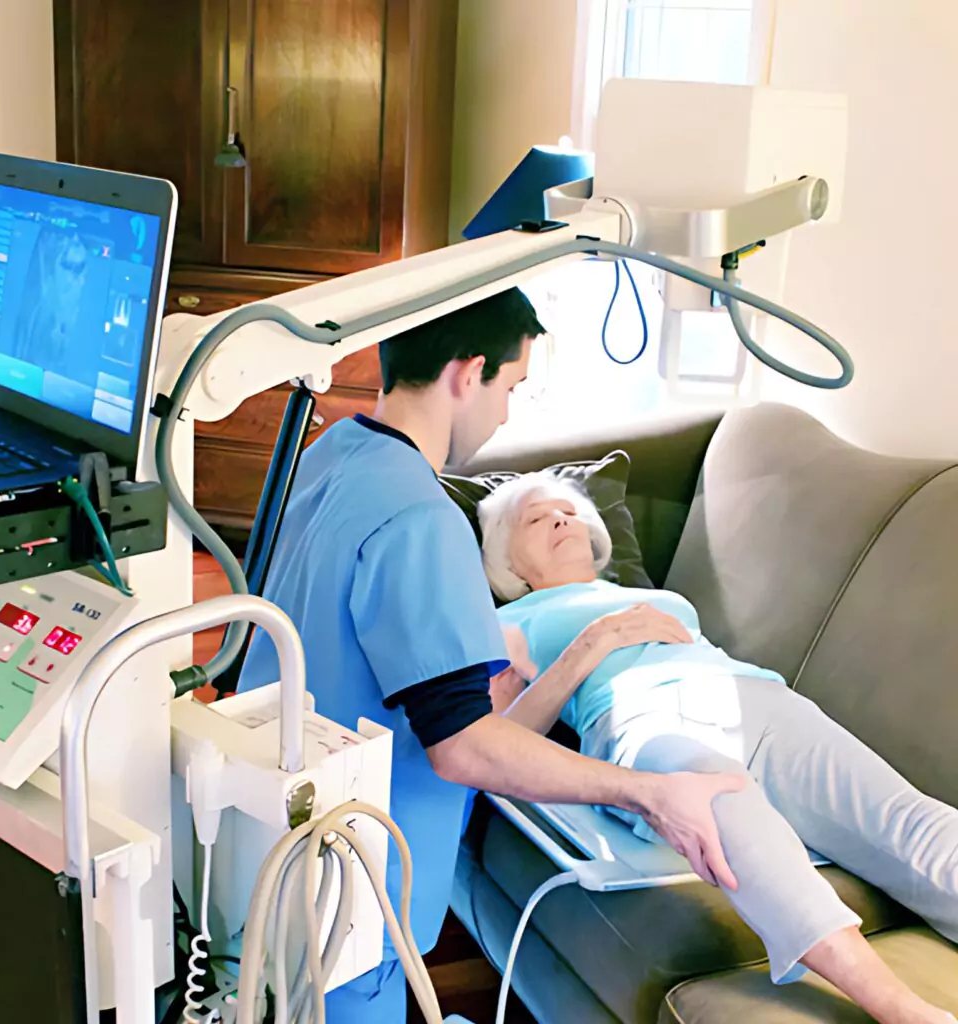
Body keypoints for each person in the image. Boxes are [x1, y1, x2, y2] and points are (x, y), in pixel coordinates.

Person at [237, 288, 746, 1023]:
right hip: (355, 885)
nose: (507, 411)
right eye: (510, 386)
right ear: (467, 373)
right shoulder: (420, 515)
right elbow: (462, 748)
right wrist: (648, 793)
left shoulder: (330, 454)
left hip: (275, 830)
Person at [477, 470, 958, 1024]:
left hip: (753, 696)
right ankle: (904, 1010)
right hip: (641, 716)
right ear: (509, 565)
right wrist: (595, 642)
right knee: (726, 817)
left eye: (568, 510)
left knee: (912, 824)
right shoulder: (509, 621)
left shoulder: (646, 596)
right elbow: (500, 741)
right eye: (537, 518)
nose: (561, 518)